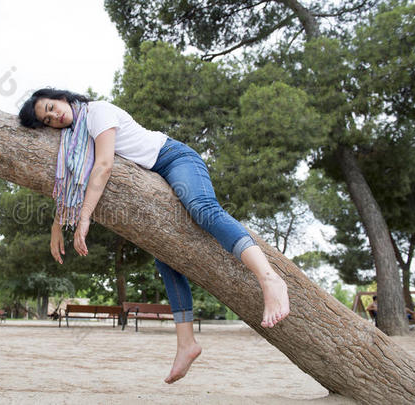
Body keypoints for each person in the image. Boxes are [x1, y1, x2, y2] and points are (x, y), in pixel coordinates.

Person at [19, 88, 290, 384]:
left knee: (202, 208)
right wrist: (57, 226)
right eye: (47, 120)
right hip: (156, 177)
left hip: (173, 158)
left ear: (60, 97)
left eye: (50, 107)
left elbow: (104, 165)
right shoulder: (76, 139)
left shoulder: (96, 112)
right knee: (165, 254)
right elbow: (74, 179)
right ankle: (187, 343)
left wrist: (84, 218)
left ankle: (269, 278)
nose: (54, 117)